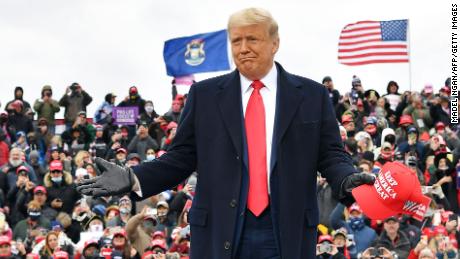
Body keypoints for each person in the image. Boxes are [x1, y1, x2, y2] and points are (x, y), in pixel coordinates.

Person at [77, 8, 374, 259]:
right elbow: (181, 157)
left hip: (287, 228)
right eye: (236, 41)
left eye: (252, 39)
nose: (243, 48)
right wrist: (133, 177)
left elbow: (330, 154)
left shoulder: (312, 95)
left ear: (275, 43)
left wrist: (347, 177)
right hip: (221, 228)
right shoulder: (204, 96)